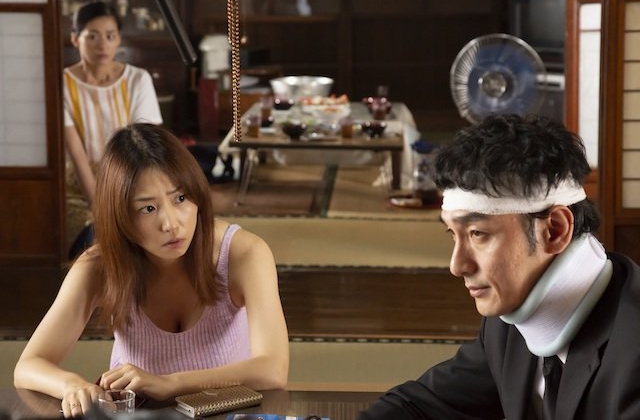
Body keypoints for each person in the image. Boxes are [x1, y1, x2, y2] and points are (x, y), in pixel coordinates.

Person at [358, 114, 640, 419]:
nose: (457, 266)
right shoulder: (508, 322)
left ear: (554, 230)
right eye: (453, 234)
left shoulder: (633, 351)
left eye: (478, 234)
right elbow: (422, 405)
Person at [14, 123, 289, 418]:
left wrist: (170, 384)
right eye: (148, 208)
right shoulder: (99, 266)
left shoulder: (244, 254)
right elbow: (29, 365)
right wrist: (72, 385)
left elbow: (272, 370)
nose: (171, 224)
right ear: (120, 217)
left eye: (180, 198)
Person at [63, 0, 163, 258]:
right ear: (75, 39)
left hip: (132, 179)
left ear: (119, 39)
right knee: (90, 246)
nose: (102, 45)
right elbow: (76, 152)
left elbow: (148, 146)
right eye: (92, 36)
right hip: (79, 187)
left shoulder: (138, 79)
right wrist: (101, 207)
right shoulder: (62, 83)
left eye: (110, 36)